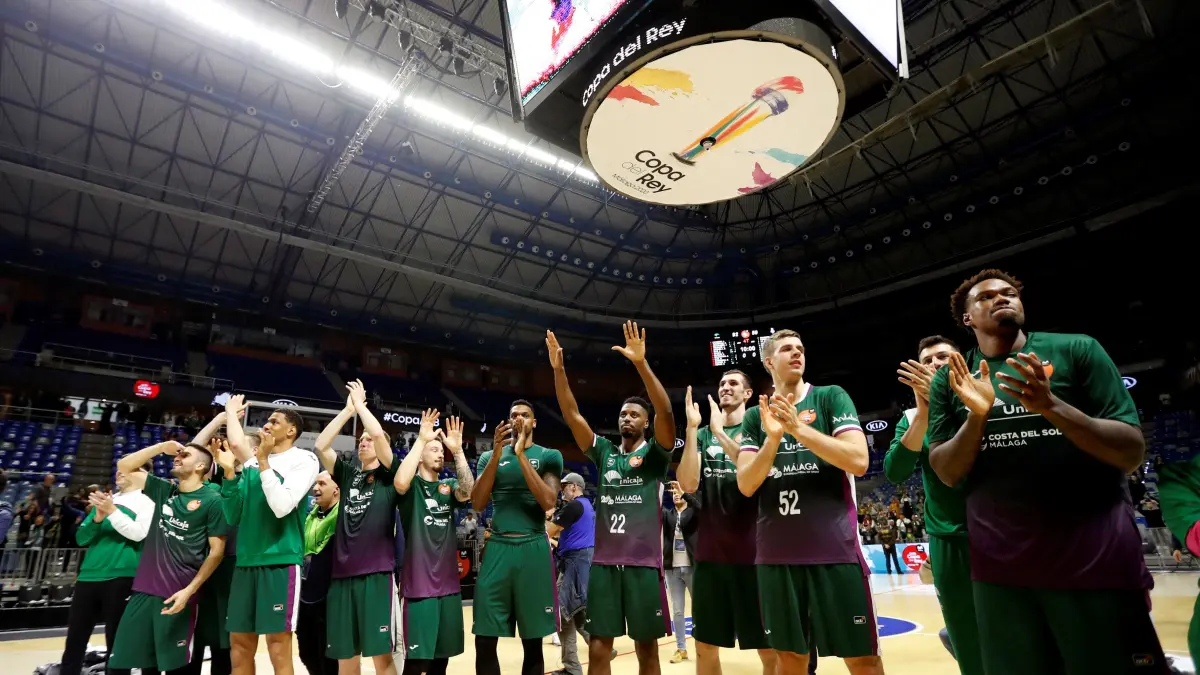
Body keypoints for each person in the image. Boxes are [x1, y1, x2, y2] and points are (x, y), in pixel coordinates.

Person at [927, 268, 1163, 674]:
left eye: (1009, 294)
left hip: (1095, 561)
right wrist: (978, 417)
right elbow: (947, 471)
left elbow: (1130, 451)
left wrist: (1050, 405)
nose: (1002, 299)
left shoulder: (1077, 349)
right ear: (967, 318)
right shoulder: (954, 379)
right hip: (1001, 574)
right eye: (986, 297)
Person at [734, 330, 878, 675]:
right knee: (790, 660)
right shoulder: (756, 417)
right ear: (769, 363)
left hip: (835, 549)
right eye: (786, 349)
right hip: (776, 556)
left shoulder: (830, 397)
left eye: (800, 348)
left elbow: (859, 460)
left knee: (862, 659)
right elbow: (746, 484)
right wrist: (773, 440)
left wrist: (798, 429)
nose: (797, 353)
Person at [547, 321, 677, 675]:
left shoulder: (655, 456)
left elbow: (666, 413)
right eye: (623, 413)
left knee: (647, 650)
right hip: (603, 566)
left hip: (642, 566)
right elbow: (572, 415)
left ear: (645, 424)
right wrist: (559, 373)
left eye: (634, 414)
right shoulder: (604, 451)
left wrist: (640, 363)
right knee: (600, 649)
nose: (626, 417)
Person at [883, 334, 982, 674]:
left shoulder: (987, 397)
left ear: (961, 362)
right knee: (966, 638)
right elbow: (895, 471)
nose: (934, 365)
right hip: (949, 539)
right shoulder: (912, 416)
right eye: (926, 361)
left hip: (1003, 532)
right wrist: (923, 414)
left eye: (942, 357)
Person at [677, 374, 779, 675]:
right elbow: (688, 483)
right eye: (722, 383)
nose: (725, 387)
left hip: (755, 556)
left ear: (748, 393)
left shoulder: (761, 428)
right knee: (705, 647)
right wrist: (693, 429)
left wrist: (721, 433)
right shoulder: (706, 435)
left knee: (768, 649)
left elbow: (762, 479)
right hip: (711, 556)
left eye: (734, 383)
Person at [106, 440, 228, 673]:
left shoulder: (213, 500)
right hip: (143, 590)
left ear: (201, 467)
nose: (178, 457)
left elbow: (216, 552)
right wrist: (161, 446)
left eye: (186, 455)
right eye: (178, 454)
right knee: (133, 663)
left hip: (178, 593)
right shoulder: (164, 489)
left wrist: (189, 591)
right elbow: (125, 466)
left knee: (175, 667)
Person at [221, 394, 321, 675]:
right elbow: (233, 516)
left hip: (280, 561)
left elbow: (281, 506)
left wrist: (263, 460)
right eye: (266, 420)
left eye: (274, 421)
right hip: (245, 563)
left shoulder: (304, 459)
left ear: (291, 430)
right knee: (239, 645)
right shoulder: (252, 465)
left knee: (278, 646)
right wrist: (230, 474)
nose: (267, 424)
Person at [469, 399, 563, 675]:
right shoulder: (489, 457)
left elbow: (548, 501)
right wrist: (498, 453)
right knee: (484, 639)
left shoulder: (549, 455)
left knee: (532, 641)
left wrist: (521, 454)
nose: (519, 418)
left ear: (534, 422)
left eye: (525, 415)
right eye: (513, 415)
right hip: (497, 546)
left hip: (533, 545)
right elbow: (477, 501)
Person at [312, 381, 400, 675]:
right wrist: (348, 410)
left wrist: (362, 407)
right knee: (345, 657)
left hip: (375, 575)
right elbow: (321, 446)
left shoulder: (390, 475)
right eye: (360, 440)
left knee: (381, 657)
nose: (363, 442)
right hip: (342, 576)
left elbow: (376, 432)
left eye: (368, 440)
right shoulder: (348, 474)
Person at [394, 411, 475, 675]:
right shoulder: (411, 486)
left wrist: (458, 452)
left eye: (442, 451)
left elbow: (468, 491)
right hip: (419, 587)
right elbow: (400, 481)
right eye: (435, 450)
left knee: (441, 660)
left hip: (449, 587)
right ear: (420, 455)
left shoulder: (448, 487)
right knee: (417, 663)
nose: (441, 454)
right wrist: (420, 440)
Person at [59, 461, 154, 675]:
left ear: (142, 474)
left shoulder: (148, 502)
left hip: (122, 576)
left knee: (118, 643)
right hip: (88, 576)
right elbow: (82, 539)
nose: (119, 471)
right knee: (75, 639)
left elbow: (139, 533)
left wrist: (111, 512)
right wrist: (97, 518)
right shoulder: (108, 499)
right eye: (119, 467)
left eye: (128, 468)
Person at [546, 472, 596, 675]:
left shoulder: (574, 506)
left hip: (575, 562)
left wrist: (542, 520)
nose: (562, 490)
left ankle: (585, 658)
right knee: (573, 613)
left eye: (564, 486)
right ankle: (573, 666)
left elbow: (549, 531)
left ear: (574, 487)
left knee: (563, 611)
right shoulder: (587, 506)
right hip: (579, 561)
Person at [297, 471, 341, 675]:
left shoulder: (343, 516)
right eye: (315, 483)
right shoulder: (311, 514)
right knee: (306, 653)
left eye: (322, 484)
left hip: (330, 597)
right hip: (305, 595)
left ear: (337, 490)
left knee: (329, 657)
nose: (316, 488)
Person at [661, 482, 699, 664]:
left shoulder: (693, 512)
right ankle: (681, 648)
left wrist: (685, 494)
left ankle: (702, 645)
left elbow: (701, 507)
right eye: (673, 492)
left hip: (692, 567)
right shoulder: (668, 515)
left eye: (678, 492)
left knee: (699, 608)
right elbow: (654, 507)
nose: (675, 494)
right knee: (677, 610)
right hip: (673, 568)